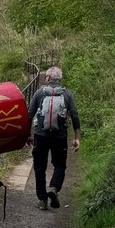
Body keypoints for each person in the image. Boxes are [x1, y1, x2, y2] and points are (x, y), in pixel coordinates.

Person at [26, 66, 81, 211]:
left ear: (48, 78)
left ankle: (42, 200)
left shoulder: (39, 93)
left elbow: (30, 115)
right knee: (60, 165)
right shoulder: (67, 94)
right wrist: (77, 138)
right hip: (60, 136)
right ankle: (54, 188)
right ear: (59, 79)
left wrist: (28, 135)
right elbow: (75, 116)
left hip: (40, 135)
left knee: (39, 167)